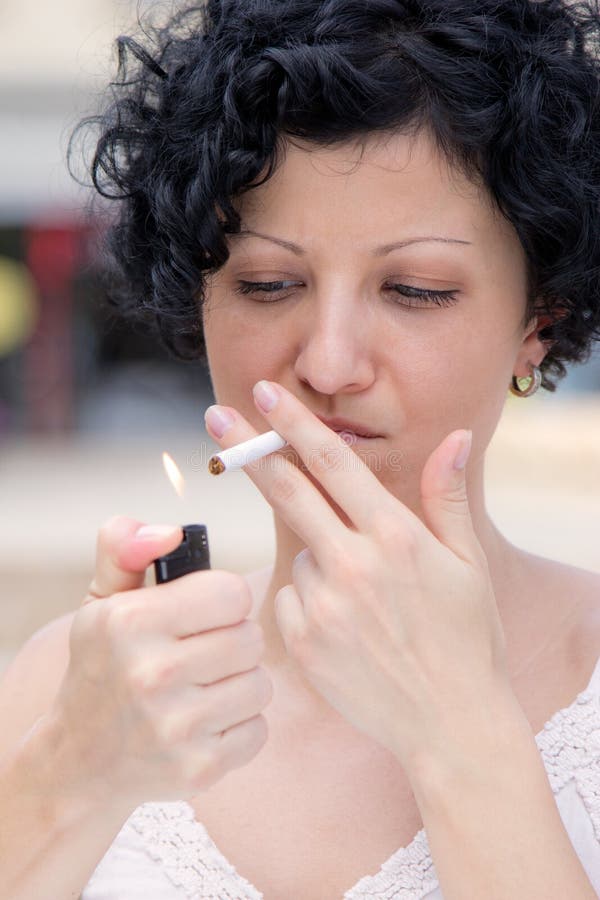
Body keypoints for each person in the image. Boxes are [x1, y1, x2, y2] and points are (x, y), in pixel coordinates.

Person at [2, 0, 600, 897]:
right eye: (268, 283)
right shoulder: (80, 680)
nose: (327, 363)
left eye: (416, 289)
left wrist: (461, 734)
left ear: (536, 323)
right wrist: (70, 777)